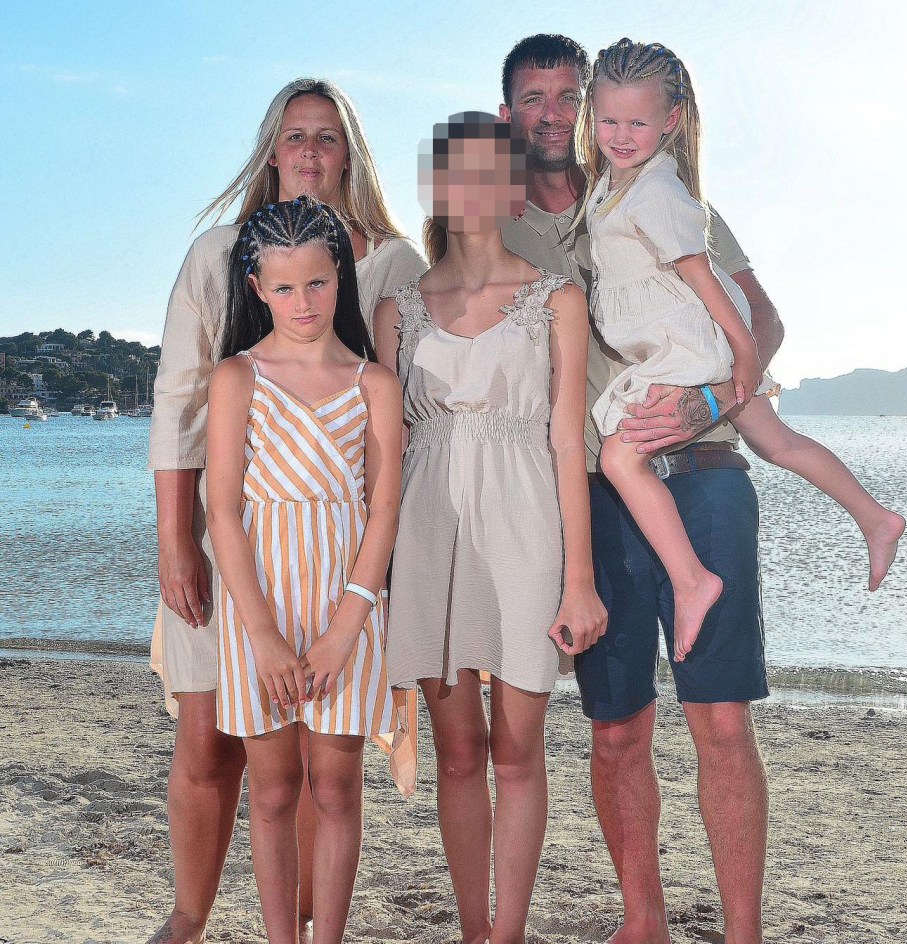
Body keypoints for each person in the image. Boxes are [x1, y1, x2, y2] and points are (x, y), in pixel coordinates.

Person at [498, 33, 771, 944]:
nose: (552, 113)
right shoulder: (498, 228)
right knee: (615, 731)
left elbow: (762, 319)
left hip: (702, 475)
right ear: (511, 115)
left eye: (564, 96)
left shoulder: (666, 196)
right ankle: (641, 925)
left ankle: (743, 936)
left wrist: (712, 397)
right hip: (594, 497)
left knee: (720, 722)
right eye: (534, 98)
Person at [147, 78, 424, 944]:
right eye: (296, 136)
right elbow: (182, 397)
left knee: (329, 779)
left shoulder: (394, 263)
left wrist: (361, 607)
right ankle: (192, 913)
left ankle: (310, 925)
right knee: (213, 740)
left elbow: (398, 449)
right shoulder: (220, 254)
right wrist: (176, 536)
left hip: (348, 572)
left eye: (329, 138)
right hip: (244, 560)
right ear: (273, 149)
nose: (310, 151)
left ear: (351, 155)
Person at [577, 38, 905, 658]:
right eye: (608, 119)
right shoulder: (616, 185)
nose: (620, 134)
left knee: (622, 459)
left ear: (671, 121)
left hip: (686, 344)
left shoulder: (657, 193)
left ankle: (692, 581)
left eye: (637, 122)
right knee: (774, 440)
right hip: (683, 340)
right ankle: (875, 516)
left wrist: (743, 358)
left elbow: (707, 282)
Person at [374, 112, 607, 944]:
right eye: (454, 170)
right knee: (459, 751)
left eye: (489, 171)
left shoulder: (558, 300)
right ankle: (474, 931)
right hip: (428, 532)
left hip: (526, 530)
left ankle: (507, 934)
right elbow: (387, 457)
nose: (470, 188)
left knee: (518, 749)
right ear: (437, 185)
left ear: (513, 188)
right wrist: (377, 576)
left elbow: (568, 439)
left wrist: (579, 580)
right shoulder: (400, 311)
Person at [206, 197, 408, 944]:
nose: (302, 303)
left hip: (344, 610)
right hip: (259, 609)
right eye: (284, 287)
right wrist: (261, 636)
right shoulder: (236, 378)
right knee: (273, 788)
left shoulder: (373, 385)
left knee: (336, 785)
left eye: (317, 284)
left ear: (340, 279)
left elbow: (383, 511)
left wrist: (344, 631)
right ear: (257, 286)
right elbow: (222, 511)